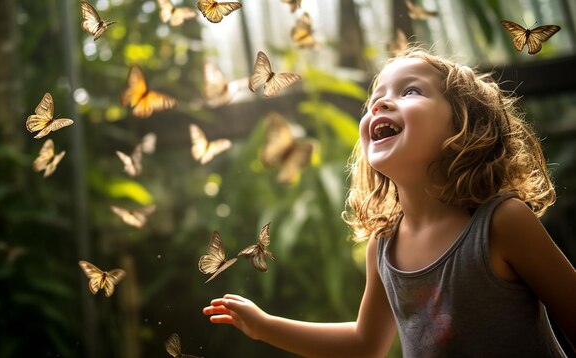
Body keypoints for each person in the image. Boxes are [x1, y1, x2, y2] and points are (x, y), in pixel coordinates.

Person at [202, 47, 576, 357]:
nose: (380, 105)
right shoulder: (383, 246)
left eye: (409, 91)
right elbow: (366, 344)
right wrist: (265, 325)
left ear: (464, 126)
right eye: (376, 98)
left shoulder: (501, 224)